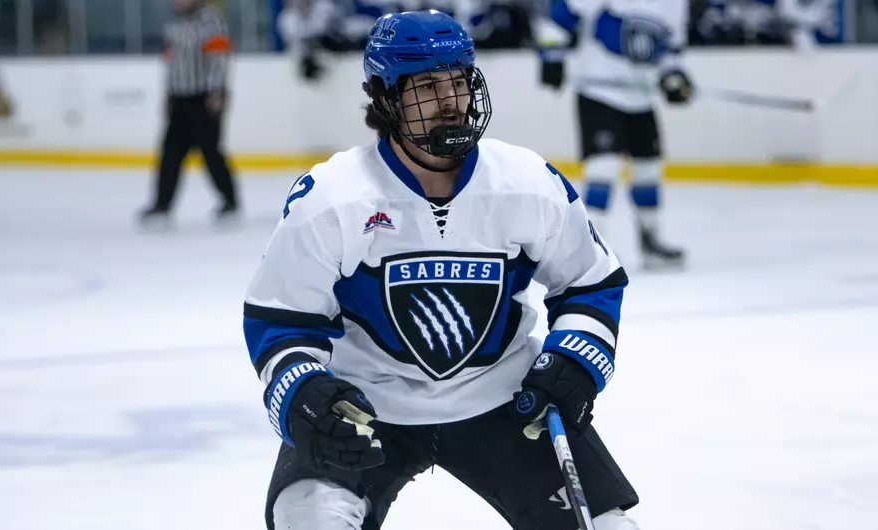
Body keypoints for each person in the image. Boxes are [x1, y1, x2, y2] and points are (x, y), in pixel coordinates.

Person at [243, 10, 639, 530]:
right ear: (385, 98)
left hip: (507, 401)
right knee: (307, 520)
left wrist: (577, 359)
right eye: (429, 86)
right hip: (369, 408)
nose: (451, 101)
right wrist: (304, 393)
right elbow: (282, 319)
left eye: (459, 81)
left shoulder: (525, 182)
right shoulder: (333, 198)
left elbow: (591, 282)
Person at [537, 0, 693, 269]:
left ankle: (651, 241)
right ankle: (589, 245)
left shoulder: (675, 3)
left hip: (641, 95)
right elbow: (560, 18)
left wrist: (674, 77)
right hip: (600, 93)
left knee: (648, 170)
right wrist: (552, 57)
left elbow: (672, 48)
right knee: (604, 168)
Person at [139, 0, 239, 227]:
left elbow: (220, 58)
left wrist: (217, 91)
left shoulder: (210, 19)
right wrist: (169, 94)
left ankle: (230, 201)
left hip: (204, 97)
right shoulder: (176, 23)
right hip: (180, 98)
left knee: (210, 151)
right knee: (171, 152)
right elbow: (172, 63)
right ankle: (162, 205)